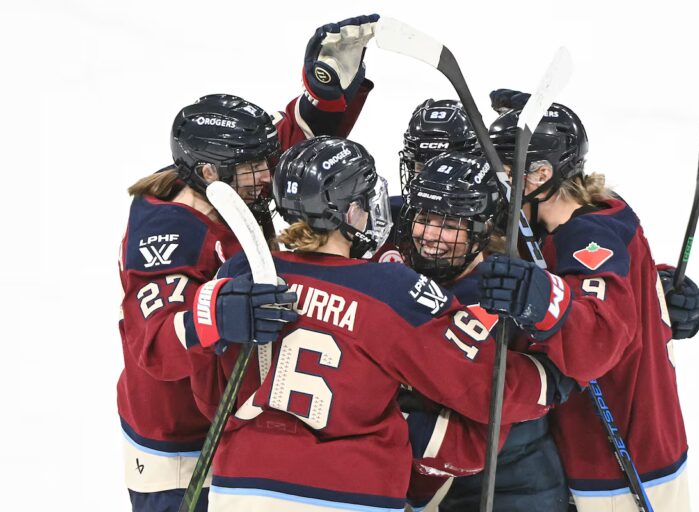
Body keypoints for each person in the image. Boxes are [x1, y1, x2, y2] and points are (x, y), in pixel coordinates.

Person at [186, 136, 567, 511]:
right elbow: (485, 389)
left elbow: (209, 394)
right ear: (351, 212)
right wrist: (553, 379)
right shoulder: (391, 291)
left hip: (240, 484)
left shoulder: (242, 274)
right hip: (351, 491)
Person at [116, 15, 378, 511]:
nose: (268, 174)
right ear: (210, 170)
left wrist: (324, 100)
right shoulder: (170, 233)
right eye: (254, 167)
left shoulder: (221, 182)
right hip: (179, 444)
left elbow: (286, 153)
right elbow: (152, 343)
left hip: (229, 423)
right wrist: (218, 313)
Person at [479, 100, 693, 511]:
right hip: (653, 441)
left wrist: (538, 296)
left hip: (619, 468)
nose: (494, 186)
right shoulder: (602, 210)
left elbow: (597, 342)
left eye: (504, 173)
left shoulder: (587, 238)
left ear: (540, 175)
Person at [395, 152, 573, 512]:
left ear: (480, 230)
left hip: (514, 484)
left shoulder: (510, 293)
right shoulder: (400, 279)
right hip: (431, 486)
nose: (429, 235)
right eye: (424, 219)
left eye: (447, 225)